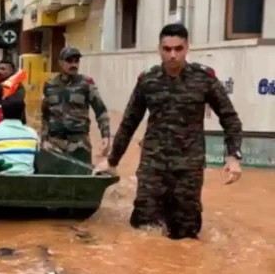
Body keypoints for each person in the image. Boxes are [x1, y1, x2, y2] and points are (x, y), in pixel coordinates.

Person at [93, 23, 243, 240]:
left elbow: (229, 118)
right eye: (167, 49)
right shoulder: (148, 80)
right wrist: (113, 160)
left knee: (186, 234)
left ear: (187, 48)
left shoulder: (204, 78)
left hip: (188, 169)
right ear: (159, 49)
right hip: (153, 167)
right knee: (145, 230)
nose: (173, 55)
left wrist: (233, 155)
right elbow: (129, 122)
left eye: (178, 49)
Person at [41, 47, 110, 165]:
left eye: (76, 61)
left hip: (79, 142)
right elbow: (45, 116)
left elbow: (101, 111)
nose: (73, 64)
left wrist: (106, 135)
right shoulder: (50, 86)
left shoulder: (86, 84)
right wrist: (44, 140)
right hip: (55, 143)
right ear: (60, 62)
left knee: (81, 178)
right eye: (69, 61)